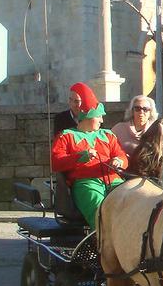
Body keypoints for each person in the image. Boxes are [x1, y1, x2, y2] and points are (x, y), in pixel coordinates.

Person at [51, 82, 128, 230]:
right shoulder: (66, 136)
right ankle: (104, 243)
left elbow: (121, 155)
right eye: (99, 116)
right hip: (86, 183)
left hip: (115, 181)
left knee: (131, 203)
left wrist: (119, 161)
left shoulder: (108, 135)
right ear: (88, 117)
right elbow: (56, 162)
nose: (102, 120)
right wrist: (80, 157)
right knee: (100, 211)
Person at [111, 95, 158, 162]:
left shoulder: (156, 130)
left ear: (150, 112)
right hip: (122, 169)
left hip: (147, 170)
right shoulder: (118, 129)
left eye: (145, 109)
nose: (141, 112)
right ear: (132, 111)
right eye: (137, 109)